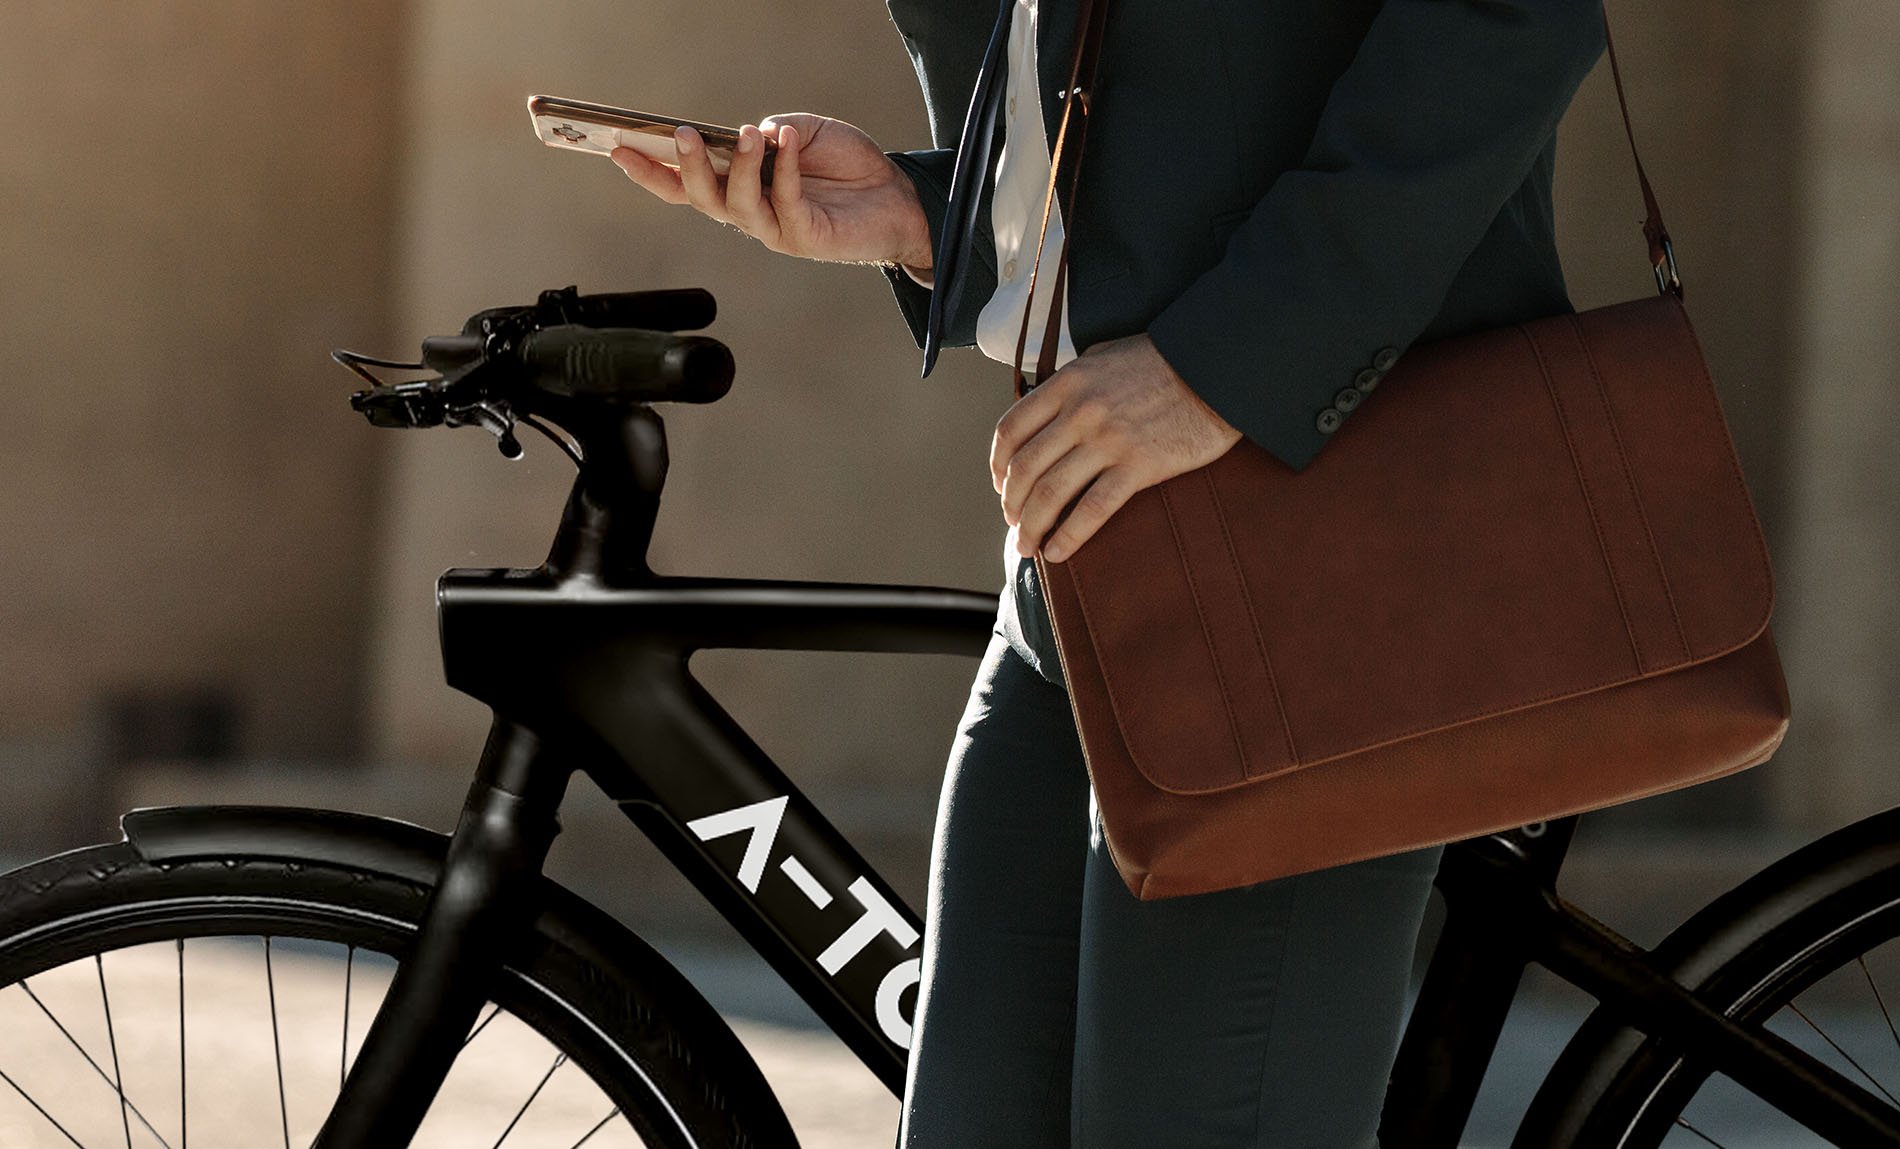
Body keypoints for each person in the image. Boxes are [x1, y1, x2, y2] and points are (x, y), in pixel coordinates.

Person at [612, 0, 1606, 1142]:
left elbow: (1510, 21)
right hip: (1083, 570)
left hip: (1303, 564)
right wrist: (943, 216)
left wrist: (1219, 368)